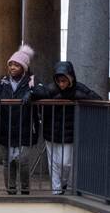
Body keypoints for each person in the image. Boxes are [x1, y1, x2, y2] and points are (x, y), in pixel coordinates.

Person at [29, 60, 100, 194]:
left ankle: (64, 183)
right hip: (51, 131)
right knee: (53, 163)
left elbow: (97, 99)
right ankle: (56, 190)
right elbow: (39, 90)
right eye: (59, 81)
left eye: (64, 81)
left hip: (69, 132)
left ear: (70, 78)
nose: (61, 84)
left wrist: (79, 97)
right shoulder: (51, 88)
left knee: (66, 163)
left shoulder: (79, 89)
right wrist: (31, 94)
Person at [0, 43, 37, 195]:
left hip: (25, 125)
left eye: (16, 65)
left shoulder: (31, 81)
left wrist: (32, 94)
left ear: (24, 67)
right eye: (11, 64)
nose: (13, 67)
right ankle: (11, 188)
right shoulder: (3, 80)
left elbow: (42, 91)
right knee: (7, 161)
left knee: (23, 160)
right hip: (6, 126)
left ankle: (25, 187)